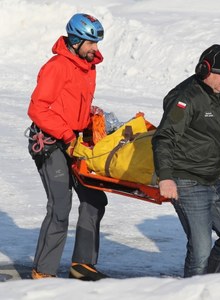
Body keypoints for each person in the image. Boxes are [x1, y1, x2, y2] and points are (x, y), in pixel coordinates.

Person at [26, 13, 109, 280]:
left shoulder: (88, 67)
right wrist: (66, 134)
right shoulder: (57, 66)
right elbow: (38, 108)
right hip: (51, 142)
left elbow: (72, 103)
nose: (95, 49)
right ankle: (44, 272)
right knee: (60, 206)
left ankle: (82, 264)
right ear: (75, 41)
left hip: (75, 141)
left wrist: (88, 117)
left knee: (94, 198)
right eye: (90, 43)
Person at [152, 44, 220, 277]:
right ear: (205, 70)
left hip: (214, 182)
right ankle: (192, 290)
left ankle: (208, 285)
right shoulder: (186, 98)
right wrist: (166, 178)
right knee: (201, 249)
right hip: (188, 182)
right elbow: (164, 138)